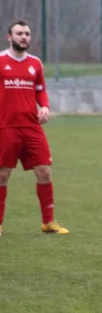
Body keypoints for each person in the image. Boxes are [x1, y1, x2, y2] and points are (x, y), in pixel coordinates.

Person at [0, 20, 68, 236]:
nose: (24, 37)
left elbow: (41, 89)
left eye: (27, 34)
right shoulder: (1, 61)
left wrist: (45, 107)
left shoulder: (36, 63)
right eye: (19, 33)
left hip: (31, 127)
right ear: (9, 37)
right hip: (6, 126)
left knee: (45, 171)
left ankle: (48, 222)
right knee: (2, 175)